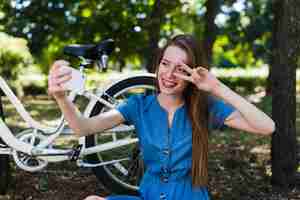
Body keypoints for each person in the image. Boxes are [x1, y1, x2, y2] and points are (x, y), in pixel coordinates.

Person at [48, 34, 275, 200]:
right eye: (165, 64)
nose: (168, 74)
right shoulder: (138, 106)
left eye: (180, 68)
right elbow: (83, 128)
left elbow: (267, 127)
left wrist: (215, 87)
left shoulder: (205, 107)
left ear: (191, 74)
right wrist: (61, 98)